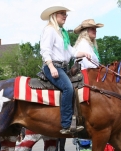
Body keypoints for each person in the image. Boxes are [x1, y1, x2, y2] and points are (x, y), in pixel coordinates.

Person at [40, 2, 90, 135]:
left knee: (75, 87)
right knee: (68, 88)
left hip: (63, 67)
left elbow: (72, 52)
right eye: (62, 14)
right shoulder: (50, 29)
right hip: (53, 66)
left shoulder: (62, 34)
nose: (65, 16)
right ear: (54, 15)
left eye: (65, 14)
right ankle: (66, 124)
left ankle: (76, 118)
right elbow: (45, 50)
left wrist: (84, 53)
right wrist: (51, 67)